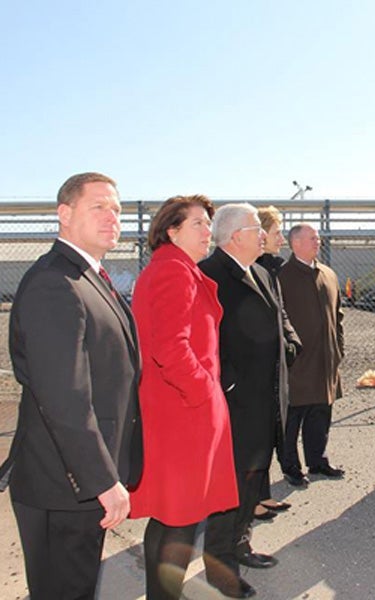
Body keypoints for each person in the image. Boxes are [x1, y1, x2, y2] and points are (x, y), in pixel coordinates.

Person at [0, 172, 142, 599]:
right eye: (98, 207)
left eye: (116, 209)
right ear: (64, 214)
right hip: (65, 486)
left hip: (76, 485)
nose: (112, 217)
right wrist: (102, 480)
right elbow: (65, 397)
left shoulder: (87, 276)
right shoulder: (54, 282)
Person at [129, 195, 246, 599]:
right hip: (182, 414)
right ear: (172, 230)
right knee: (180, 518)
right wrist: (203, 392)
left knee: (169, 517)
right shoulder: (173, 272)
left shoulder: (175, 268)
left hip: (177, 410)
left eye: (208, 224)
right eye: (197, 223)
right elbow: (170, 347)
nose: (207, 231)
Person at [199, 203, 301, 569]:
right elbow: (202, 338)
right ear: (235, 236)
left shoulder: (261, 271)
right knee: (230, 482)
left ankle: (240, 544)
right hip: (233, 401)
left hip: (264, 397)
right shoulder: (208, 275)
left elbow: (279, 314)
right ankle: (220, 560)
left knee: (252, 476)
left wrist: (290, 342)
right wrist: (227, 383)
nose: (263, 235)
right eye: (257, 228)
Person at [278, 224, 345, 486]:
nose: (318, 241)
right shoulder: (282, 277)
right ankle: (291, 466)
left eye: (318, 238)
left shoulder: (328, 274)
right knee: (293, 416)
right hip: (298, 361)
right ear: (295, 243)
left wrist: (338, 348)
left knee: (321, 411)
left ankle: (318, 461)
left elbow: (338, 315)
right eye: (312, 238)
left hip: (326, 358)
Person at [253, 205, 294, 517]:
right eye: (277, 232)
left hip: (274, 360)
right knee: (254, 436)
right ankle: (251, 500)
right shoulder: (251, 268)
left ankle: (262, 494)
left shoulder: (273, 267)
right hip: (255, 366)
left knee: (268, 432)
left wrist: (291, 341)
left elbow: (280, 312)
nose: (282, 238)